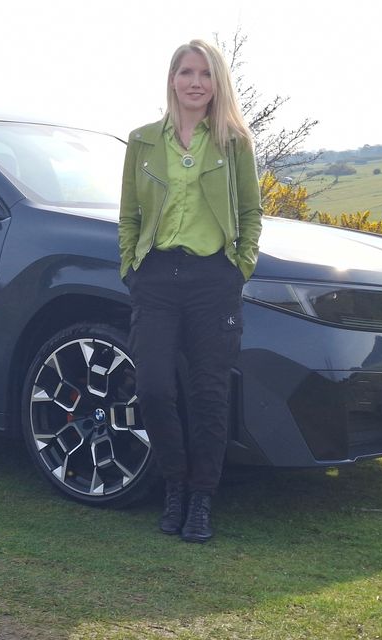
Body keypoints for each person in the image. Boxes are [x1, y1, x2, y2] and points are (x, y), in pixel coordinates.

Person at [118, 39, 262, 543]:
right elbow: (130, 215)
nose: (195, 82)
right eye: (186, 72)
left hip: (213, 282)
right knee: (154, 387)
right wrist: (130, 268)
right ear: (172, 79)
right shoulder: (141, 142)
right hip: (155, 278)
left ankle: (200, 500)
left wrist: (239, 268)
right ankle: (174, 484)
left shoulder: (234, 143)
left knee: (208, 395)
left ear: (217, 81)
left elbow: (250, 214)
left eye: (205, 73)